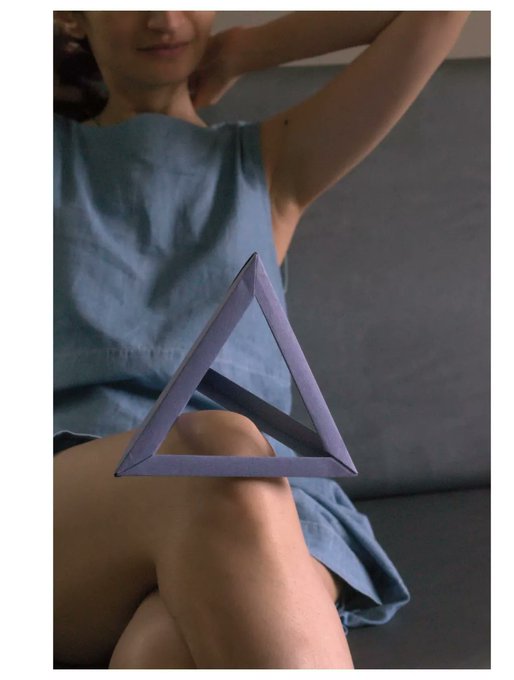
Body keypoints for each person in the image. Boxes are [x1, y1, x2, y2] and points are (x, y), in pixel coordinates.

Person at [53, 10, 470, 669]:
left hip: (266, 499)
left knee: (163, 649)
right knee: (213, 447)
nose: (164, 17)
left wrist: (242, 49)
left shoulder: (268, 164)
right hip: (71, 500)